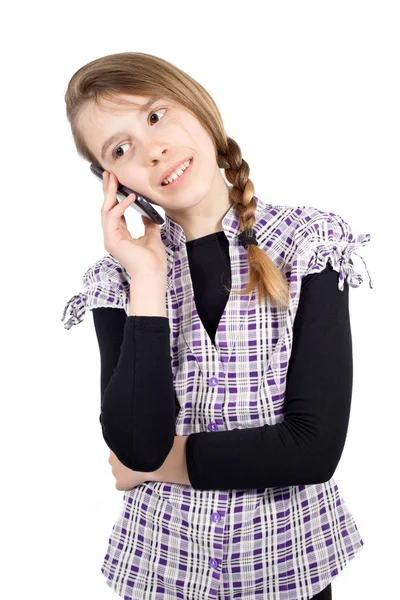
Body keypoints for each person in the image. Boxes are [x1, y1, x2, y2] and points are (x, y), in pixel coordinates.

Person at [61, 52, 373, 600]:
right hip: (160, 573)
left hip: (286, 573)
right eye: (120, 148)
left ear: (198, 106)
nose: (152, 149)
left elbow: (313, 450)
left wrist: (164, 464)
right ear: (113, 181)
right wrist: (149, 278)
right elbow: (136, 445)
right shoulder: (119, 280)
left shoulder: (308, 243)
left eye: (155, 116)